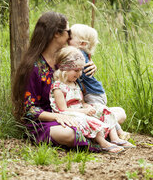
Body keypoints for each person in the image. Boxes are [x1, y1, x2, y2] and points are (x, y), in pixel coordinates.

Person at [11, 11, 100, 151]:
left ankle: (93, 133)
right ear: (56, 34)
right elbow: (29, 110)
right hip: (44, 121)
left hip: (72, 113)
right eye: (68, 31)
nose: (70, 36)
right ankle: (95, 136)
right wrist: (57, 116)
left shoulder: (64, 59)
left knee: (118, 113)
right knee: (70, 134)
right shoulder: (33, 67)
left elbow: (77, 84)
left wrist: (90, 65)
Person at [49, 46, 134, 153]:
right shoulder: (58, 87)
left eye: (81, 70)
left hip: (80, 110)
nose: (79, 74)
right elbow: (62, 110)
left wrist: (86, 106)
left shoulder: (75, 83)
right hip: (69, 115)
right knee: (89, 119)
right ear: (64, 69)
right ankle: (103, 143)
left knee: (103, 109)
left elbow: (81, 102)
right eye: (76, 70)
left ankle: (115, 138)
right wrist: (84, 111)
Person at [69, 24, 131, 140]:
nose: (67, 39)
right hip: (93, 92)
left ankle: (118, 132)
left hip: (93, 93)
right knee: (106, 112)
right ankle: (106, 130)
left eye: (70, 37)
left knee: (102, 112)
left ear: (82, 44)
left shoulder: (77, 54)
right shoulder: (83, 53)